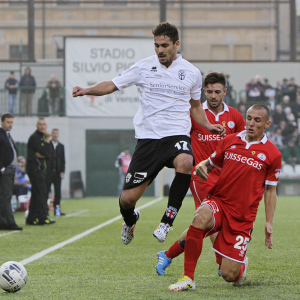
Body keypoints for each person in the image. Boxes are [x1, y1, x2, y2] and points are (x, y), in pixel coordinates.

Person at [72, 22, 225, 245]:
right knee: (127, 200)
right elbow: (113, 85)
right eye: (156, 45)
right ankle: (131, 219)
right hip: (148, 139)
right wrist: (87, 90)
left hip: (176, 135)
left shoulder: (191, 72)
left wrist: (208, 125)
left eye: (164, 45)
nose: (160, 50)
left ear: (176, 44)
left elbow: (195, 107)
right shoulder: (143, 67)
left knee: (185, 161)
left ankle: (167, 221)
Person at [168, 104, 282, 291]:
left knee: (229, 275)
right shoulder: (229, 140)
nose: (251, 123)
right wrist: (202, 167)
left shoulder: (273, 154)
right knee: (199, 217)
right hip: (220, 201)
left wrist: (269, 222)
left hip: (242, 217)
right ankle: (188, 277)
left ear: (267, 123)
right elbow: (210, 164)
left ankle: (240, 265)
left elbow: (270, 191)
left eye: (257, 120)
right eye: (249, 118)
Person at [155, 72, 246, 276]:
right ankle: (221, 263)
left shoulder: (235, 117)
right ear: (204, 91)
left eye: (217, 91)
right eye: (209, 91)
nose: (213, 95)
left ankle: (168, 254)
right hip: (201, 176)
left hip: (226, 179)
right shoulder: (194, 114)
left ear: (225, 92)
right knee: (211, 218)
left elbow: (242, 146)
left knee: (212, 224)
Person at [26, 118, 55, 225]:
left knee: (36, 193)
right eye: (40, 124)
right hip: (35, 169)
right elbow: (44, 151)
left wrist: (44, 154)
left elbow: (49, 154)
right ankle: (43, 218)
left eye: (44, 124)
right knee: (42, 192)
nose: (42, 126)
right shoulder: (35, 137)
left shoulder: (44, 137)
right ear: (36, 125)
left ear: (46, 126)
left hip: (41, 169)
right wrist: (47, 140)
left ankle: (31, 218)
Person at [0, 113, 23, 230]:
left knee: (4, 196)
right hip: (4, 171)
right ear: (1, 121)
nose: (10, 125)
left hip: (10, 171)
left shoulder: (7, 135)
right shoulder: (1, 134)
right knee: (6, 196)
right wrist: (2, 168)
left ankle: (3, 222)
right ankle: (10, 223)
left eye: (12, 122)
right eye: (8, 122)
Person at [46, 128, 66, 216]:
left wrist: (62, 171)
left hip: (57, 173)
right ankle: (45, 211)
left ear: (58, 135)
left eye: (56, 133)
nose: (55, 135)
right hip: (49, 172)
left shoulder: (61, 146)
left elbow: (63, 160)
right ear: (51, 134)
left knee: (58, 192)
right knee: (46, 191)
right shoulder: (47, 145)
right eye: (53, 133)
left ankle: (56, 210)